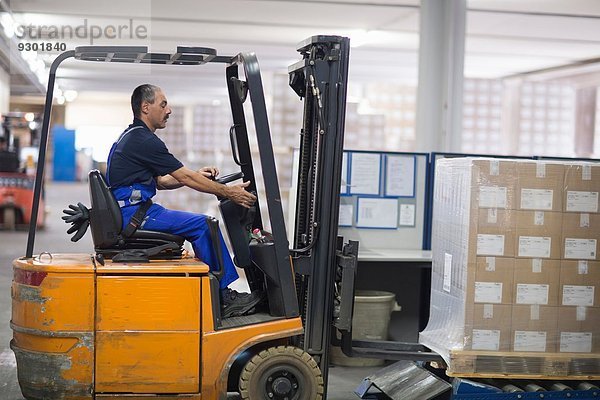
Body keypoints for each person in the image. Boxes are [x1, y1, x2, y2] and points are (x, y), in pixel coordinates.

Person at [107, 84, 263, 318]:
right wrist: (228, 192)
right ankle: (223, 297)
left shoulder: (134, 137)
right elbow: (183, 177)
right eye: (163, 104)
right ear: (145, 107)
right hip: (135, 215)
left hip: (134, 210)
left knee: (200, 223)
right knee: (203, 225)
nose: (169, 110)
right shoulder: (144, 140)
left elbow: (162, 181)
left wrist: (197, 176)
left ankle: (218, 291)